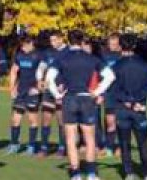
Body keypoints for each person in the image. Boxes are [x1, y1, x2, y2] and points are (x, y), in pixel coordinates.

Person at [46, 29, 115, 180]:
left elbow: (49, 78)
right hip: (86, 99)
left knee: (71, 138)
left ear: (68, 41)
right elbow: (110, 76)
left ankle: (75, 173)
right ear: (82, 41)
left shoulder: (62, 58)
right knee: (90, 138)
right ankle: (91, 173)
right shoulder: (91, 58)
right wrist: (96, 92)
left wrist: (57, 95)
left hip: (69, 99)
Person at [113, 33, 147, 180]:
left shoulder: (116, 66)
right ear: (135, 46)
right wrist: (136, 100)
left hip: (123, 110)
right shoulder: (144, 65)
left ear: (120, 46)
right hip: (139, 109)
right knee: (143, 143)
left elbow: (114, 88)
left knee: (124, 144)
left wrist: (127, 100)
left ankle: (129, 173)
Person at [7, 35, 42, 155]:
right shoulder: (19, 55)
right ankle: (14, 144)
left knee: (32, 119)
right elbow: (13, 71)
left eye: (26, 45)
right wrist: (12, 88)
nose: (24, 47)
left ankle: (31, 146)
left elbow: (45, 73)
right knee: (15, 120)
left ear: (32, 44)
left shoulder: (38, 56)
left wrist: (38, 88)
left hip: (32, 92)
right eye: (22, 45)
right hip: (21, 92)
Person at [37, 30, 69, 157]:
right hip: (48, 90)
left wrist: (65, 85)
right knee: (46, 119)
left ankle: (62, 147)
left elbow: (71, 70)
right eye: (51, 40)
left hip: (62, 91)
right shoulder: (48, 52)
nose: (52, 43)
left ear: (62, 39)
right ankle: (44, 147)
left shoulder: (68, 52)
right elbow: (41, 67)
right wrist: (39, 79)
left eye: (55, 40)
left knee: (61, 120)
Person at [101, 33, 123, 159]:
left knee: (120, 121)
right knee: (109, 122)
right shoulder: (104, 56)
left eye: (115, 43)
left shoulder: (122, 56)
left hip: (120, 93)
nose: (112, 46)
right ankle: (109, 147)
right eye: (110, 43)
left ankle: (121, 147)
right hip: (108, 93)